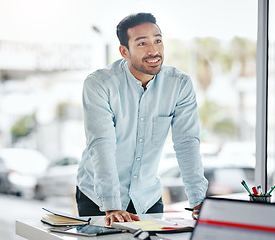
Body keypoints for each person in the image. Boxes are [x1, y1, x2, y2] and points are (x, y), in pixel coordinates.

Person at [76, 12, 208, 226]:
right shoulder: (100, 84)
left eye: (157, 41)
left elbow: (187, 144)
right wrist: (112, 205)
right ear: (124, 51)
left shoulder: (179, 84)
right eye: (142, 43)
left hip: (147, 198)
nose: (153, 50)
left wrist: (198, 201)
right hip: (99, 198)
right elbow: (101, 144)